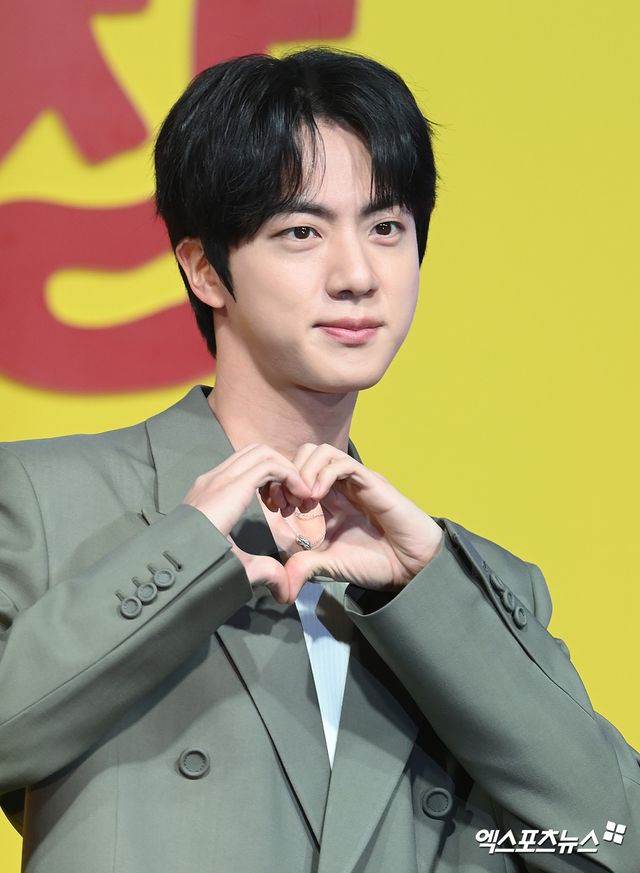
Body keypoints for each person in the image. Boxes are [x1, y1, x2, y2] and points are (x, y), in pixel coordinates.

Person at [0, 48, 637, 873]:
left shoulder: (466, 588)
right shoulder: (45, 502)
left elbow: (610, 840)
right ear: (205, 268)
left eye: (387, 228)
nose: (358, 274)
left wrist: (430, 598)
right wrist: (186, 550)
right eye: (301, 232)